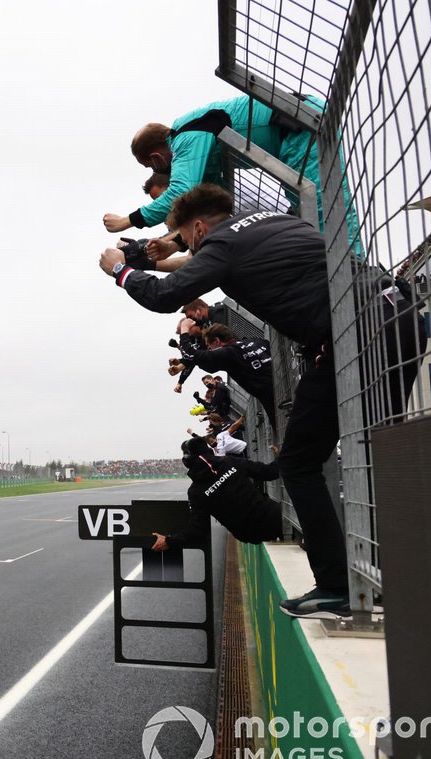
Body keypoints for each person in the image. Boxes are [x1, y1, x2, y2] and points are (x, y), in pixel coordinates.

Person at [99, 184, 355, 618]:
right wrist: (160, 252)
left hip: (347, 337)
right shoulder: (275, 221)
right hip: (380, 311)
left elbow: (166, 295)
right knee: (384, 454)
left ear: (198, 228)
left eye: (187, 237)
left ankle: (338, 587)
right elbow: (194, 261)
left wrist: (121, 271)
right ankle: (371, 573)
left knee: (299, 465)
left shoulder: (221, 243)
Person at [103, 95, 334, 236]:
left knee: (325, 208)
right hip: (292, 134)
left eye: (150, 166)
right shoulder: (200, 149)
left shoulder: (186, 136)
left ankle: (350, 276)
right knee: (310, 210)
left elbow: (179, 191)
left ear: (155, 157)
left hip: (297, 126)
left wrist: (128, 221)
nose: (156, 171)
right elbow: (215, 199)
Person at [152, 438, 285, 559]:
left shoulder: (196, 492)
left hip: (251, 535)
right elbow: (271, 472)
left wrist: (169, 542)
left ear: (187, 461)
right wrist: (281, 456)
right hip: (275, 518)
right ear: (209, 451)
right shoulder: (232, 462)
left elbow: (198, 531)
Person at [185, 324, 277, 427]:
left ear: (217, 341)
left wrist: (184, 329)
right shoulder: (256, 341)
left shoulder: (228, 353)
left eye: (210, 347)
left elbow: (191, 355)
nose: (210, 350)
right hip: (288, 382)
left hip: (275, 401)